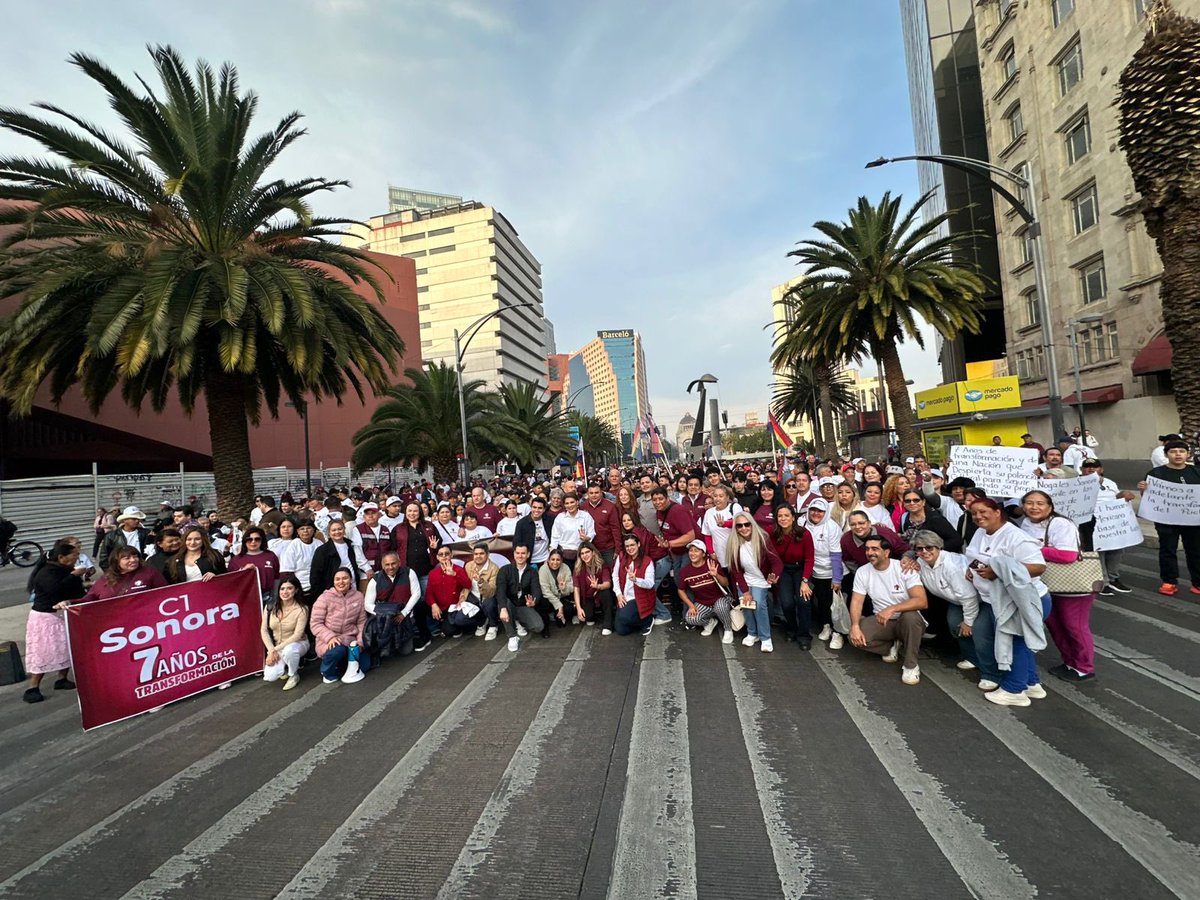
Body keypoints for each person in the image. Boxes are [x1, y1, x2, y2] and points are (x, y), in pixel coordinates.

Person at [964, 498, 1050, 706]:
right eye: (974, 513)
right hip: (999, 599)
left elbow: (1039, 567)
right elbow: (976, 556)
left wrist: (998, 571)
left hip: (1023, 600)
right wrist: (972, 570)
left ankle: (1014, 690)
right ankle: (1031, 683)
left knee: (1015, 642)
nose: (978, 517)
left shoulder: (1016, 537)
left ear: (997, 512)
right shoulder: (980, 532)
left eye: (983, 512)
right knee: (1020, 641)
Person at [1020, 489, 1095, 682]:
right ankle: (1070, 662)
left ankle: (1084, 668)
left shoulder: (1060, 523)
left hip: (1073, 586)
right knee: (1055, 625)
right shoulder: (1026, 523)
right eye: (1029, 503)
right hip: (1046, 583)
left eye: (1040, 503)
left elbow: (1068, 555)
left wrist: (1036, 548)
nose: (1034, 507)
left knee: (1074, 626)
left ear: (1050, 506)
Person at [848, 535, 928, 685]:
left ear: (886, 552)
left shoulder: (904, 568)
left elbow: (921, 601)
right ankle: (890, 646)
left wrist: (892, 608)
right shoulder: (863, 572)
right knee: (855, 637)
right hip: (883, 621)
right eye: (867, 549)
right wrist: (855, 626)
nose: (870, 553)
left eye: (875, 549)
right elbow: (857, 601)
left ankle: (911, 665)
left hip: (907, 620)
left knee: (910, 617)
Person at [23, 540, 87, 703]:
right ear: (61, 557)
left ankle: (62, 678)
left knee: (65, 647)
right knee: (43, 651)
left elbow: (76, 592)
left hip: (64, 614)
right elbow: (54, 589)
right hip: (45, 617)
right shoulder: (47, 572)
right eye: (74, 555)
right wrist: (73, 576)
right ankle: (33, 686)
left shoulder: (65, 570)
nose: (77, 557)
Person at [907, 531, 978, 671]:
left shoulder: (951, 566)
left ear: (938, 546)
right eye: (919, 549)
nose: (924, 551)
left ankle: (985, 662)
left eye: (929, 547)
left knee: (974, 629)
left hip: (978, 600)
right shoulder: (921, 563)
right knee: (955, 624)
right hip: (956, 601)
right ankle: (971, 657)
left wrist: (968, 622)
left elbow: (969, 597)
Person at [1138, 438, 1200, 596]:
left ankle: (1197, 582)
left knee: (1195, 551)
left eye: (1181, 451)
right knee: (1168, 550)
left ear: (1188, 454)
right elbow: (1148, 497)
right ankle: (1169, 581)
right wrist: (1143, 489)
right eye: (1173, 451)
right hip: (1166, 520)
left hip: (1193, 520)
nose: (1178, 454)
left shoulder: (1196, 471)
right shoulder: (1156, 473)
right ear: (1166, 455)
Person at [726, 512, 783, 652]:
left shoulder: (763, 539)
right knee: (746, 605)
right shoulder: (733, 543)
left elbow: (776, 562)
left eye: (747, 524)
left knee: (758, 605)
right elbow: (736, 570)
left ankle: (765, 637)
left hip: (761, 579)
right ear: (735, 528)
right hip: (745, 578)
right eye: (739, 525)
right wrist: (745, 591)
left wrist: (774, 575)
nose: (743, 528)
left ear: (752, 524)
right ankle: (752, 633)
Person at [1079, 459, 1133, 595]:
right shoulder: (1076, 483)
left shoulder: (1110, 482)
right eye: (1087, 467)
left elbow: (1116, 496)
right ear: (1082, 470)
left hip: (1112, 520)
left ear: (1101, 469)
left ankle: (1113, 578)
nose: (1091, 469)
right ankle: (1103, 581)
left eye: (1095, 467)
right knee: (1098, 551)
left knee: (1117, 549)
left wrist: (1123, 495)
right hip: (1090, 521)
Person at [311, 567, 369, 684]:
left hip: (350, 639)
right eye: (337, 579)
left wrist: (360, 643)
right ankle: (327, 671)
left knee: (365, 666)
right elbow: (315, 623)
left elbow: (361, 622)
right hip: (330, 640)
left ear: (351, 580)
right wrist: (330, 637)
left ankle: (342, 665)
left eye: (345, 578)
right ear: (333, 581)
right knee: (337, 651)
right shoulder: (324, 598)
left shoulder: (358, 596)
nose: (341, 582)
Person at [363, 551, 424, 659]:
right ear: (382, 565)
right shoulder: (375, 580)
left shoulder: (409, 572)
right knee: (386, 651)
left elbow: (416, 593)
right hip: (384, 621)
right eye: (387, 564)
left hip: (404, 618)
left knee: (406, 651)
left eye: (393, 563)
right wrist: (386, 614)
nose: (390, 567)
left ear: (399, 562)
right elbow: (367, 604)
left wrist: (404, 613)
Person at [770, 505, 815, 648]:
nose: (783, 519)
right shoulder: (773, 533)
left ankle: (804, 635)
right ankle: (792, 628)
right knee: (786, 602)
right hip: (784, 569)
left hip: (801, 568)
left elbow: (809, 559)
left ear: (793, 517)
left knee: (804, 601)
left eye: (786, 515)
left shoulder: (804, 534)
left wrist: (805, 581)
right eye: (780, 516)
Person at [805, 499, 845, 649]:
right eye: (813, 510)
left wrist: (837, 578)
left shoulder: (832, 527)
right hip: (815, 571)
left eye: (820, 511)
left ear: (826, 512)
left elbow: (836, 554)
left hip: (831, 571)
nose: (816, 513)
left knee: (835, 605)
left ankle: (838, 633)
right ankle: (826, 626)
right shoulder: (804, 524)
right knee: (822, 602)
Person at [840, 512, 908, 599]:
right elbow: (849, 562)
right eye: (853, 524)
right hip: (868, 577)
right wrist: (865, 576)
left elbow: (905, 550)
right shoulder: (846, 540)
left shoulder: (885, 533)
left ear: (869, 523)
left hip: (894, 573)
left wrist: (906, 561)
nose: (857, 527)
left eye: (861, 523)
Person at [676, 539, 734, 640]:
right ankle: (710, 623)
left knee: (720, 606)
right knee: (690, 618)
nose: (692, 553)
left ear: (703, 554)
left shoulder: (711, 563)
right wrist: (690, 605)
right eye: (691, 550)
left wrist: (716, 575)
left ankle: (728, 629)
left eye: (696, 550)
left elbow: (726, 583)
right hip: (703, 603)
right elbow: (680, 590)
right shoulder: (685, 571)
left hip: (720, 600)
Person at [495, 544, 548, 651]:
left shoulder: (532, 571)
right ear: (514, 554)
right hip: (508, 604)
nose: (520, 556)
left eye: (523, 553)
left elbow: (536, 589)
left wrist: (534, 601)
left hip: (523, 605)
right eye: (518, 553)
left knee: (538, 626)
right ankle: (512, 636)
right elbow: (500, 590)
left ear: (528, 555)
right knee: (503, 602)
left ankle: (517, 620)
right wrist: (503, 608)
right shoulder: (504, 570)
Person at [260, 576, 309, 690]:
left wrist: (274, 650)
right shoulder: (270, 607)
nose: (285, 592)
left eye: (289, 588)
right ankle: (285, 668)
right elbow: (264, 630)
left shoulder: (302, 609)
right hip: (277, 646)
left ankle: (293, 674)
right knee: (270, 676)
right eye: (282, 589)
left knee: (289, 651)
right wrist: (271, 650)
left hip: (298, 643)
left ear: (296, 590)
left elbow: (297, 635)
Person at [426, 545, 482, 638]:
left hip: (454, 609)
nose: (444, 556)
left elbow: (468, 585)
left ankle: (466, 625)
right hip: (440, 608)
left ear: (451, 555)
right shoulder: (433, 573)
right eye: (441, 554)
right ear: (437, 557)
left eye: (447, 554)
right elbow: (429, 592)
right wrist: (433, 605)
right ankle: (428, 634)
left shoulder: (458, 570)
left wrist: (454, 574)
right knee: (419, 607)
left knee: (449, 631)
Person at [82, 545, 169, 601]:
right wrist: (74, 604)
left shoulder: (150, 573)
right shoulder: (106, 578)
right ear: (116, 561)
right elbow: (90, 597)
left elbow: (165, 593)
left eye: (135, 556)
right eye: (127, 558)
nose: (133, 560)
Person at [613, 533, 658, 636]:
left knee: (624, 617)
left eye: (632, 545)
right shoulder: (621, 557)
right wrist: (618, 594)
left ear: (638, 544)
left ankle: (647, 620)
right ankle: (635, 621)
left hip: (639, 598)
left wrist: (636, 580)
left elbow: (650, 584)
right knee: (621, 630)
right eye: (627, 546)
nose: (630, 548)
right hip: (624, 597)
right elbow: (615, 576)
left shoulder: (647, 561)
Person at [651, 487, 697, 587]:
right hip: (675, 552)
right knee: (678, 581)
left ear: (667, 498)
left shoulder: (678, 510)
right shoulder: (659, 511)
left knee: (685, 582)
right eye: (654, 500)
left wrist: (669, 544)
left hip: (689, 550)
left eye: (660, 499)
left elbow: (690, 536)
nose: (657, 502)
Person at [392, 502, 440, 595]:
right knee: (410, 597)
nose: (412, 513)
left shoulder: (429, 526)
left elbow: (439, 543)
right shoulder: (398, 529)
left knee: (427, 596)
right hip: (406, 571)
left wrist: (435, 547)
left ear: (420, 512)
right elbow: (393, 549)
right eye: (409, 511)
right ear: (405, 512)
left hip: (426, 569)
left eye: (415, 511)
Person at [897, 490, 962, 552]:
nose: (912, 503)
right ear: (904, 503)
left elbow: (956, 540)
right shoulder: (904, 518)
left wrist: (936, 551)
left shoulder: (935, 519)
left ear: (923, 502)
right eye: (908, 501)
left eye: (916, 500)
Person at [309, 519, 361, 597]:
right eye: (333, 530)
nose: (337, 532)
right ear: (329, 533)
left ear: (344, 529)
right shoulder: (322, 550)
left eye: (340, 529)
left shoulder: (351, 545)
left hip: (352, 587)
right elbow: (315, 575)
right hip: (331, 590)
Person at [349, 501, 391, 592]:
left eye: (373, 513)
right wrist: (367, 569)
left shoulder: (385, 529)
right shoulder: (358, 529)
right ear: (364, 516)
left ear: (379, 514)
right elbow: (357, 551)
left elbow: (389, 550)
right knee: (366, 596)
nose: (371, 516)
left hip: (384, 573)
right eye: (368, 514)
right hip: (366, 574)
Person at [573, 541, 615, 634]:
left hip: (599, 593)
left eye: (587, 552)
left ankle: (607, 624)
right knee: (588, 617)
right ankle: (595, 614)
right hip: (587, 597)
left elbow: (608, 583)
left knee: (606, 592)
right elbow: (576, 589)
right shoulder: (578, 568)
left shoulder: (601, 564)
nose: (585, 555)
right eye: (582, 553)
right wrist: (579, 609)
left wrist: (598, 586)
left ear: (593, 552)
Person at [229, 526, 280, 599]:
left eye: (257, 539)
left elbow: (277, 578)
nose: (253, 542)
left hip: (268, 596)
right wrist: (243, 570)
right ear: (244, 541)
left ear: (262, 540)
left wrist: (275, 596)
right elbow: (231, 581)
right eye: (249, 539)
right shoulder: (236, 560)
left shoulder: (271, 556)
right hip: (244, 598)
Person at [465, 543, 502, 641]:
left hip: (488, 598)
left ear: (488, 554)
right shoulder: (468, 566)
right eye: (476, 554)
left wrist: (481, 581)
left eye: (481, 553)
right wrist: (462, 598)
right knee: (459, 620)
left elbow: (491, 591)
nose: (478, 556)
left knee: (489, 603)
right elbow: (465, 585)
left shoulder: (494, 568)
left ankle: (493, 625)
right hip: (473, 599)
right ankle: (482, 621)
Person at [700, 484, 743, 566]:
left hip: (736, 554)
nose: (717, 499)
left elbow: (739, 523)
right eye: (715, 496)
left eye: (721, 496)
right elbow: (707, 534)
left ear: (727, 497)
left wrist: (725, 524)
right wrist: (711, 552)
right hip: (719, 555)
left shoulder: (735, 507)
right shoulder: (709, 512)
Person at [97, 506, 151, 570]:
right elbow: (104, 557)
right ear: (125, 520)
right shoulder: (112, 536)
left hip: (141, 569)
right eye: (133, 519)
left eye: (138, 519)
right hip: (121, 570)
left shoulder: (146, 533)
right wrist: (111, 572)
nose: (137, 521)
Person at [549, 493, 596, 565]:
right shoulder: (560, 517)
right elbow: (555, 537)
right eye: (567, 503)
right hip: (564, 554)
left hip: (582, 554)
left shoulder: (585, 516)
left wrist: (587, 538)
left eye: (572, 502)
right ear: (564, 505)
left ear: (577, 502)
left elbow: (592, 532)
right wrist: (552, 553)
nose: (570, 505)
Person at [583, 483, 623, 566]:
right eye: (591, 493)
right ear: (587, 494)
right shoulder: (583, 507)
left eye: (596, 492)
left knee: (611, 570)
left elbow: (615, 528)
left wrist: (618, 549)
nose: (594, 495)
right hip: (590, 548)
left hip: (608, 549)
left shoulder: (610, 506)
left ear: (601, 493)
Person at [280, 520, 321, 595]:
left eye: (308, 528)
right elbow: (287, 571)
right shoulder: (294, 545)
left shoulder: (319, 543)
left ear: (313, 530)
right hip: (300, 587)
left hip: (318, 585)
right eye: (302, 529)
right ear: (298, 531)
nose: (305, 531)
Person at [513, 496, 553, 566]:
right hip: (528, 561)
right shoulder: (521, 523)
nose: (537, 510)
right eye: (534, 507)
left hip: (546, 559)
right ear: (531, 507)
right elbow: (516, 543)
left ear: (544, 509)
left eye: (540, 508)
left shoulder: (550, 520)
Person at [539, 548, 574, 625]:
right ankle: (549, 615)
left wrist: (564, 588)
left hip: (561, 597)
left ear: (561, 561)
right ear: (548, 560)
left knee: (568, 612)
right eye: (552, 559)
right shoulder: (543, 569)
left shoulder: (565, 568)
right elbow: (545, 591)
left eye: (558, 560)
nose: (555, 562)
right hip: (549, 599)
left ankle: (556, 615)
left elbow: (571, 587)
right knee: (543, 603)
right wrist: (559, 606)